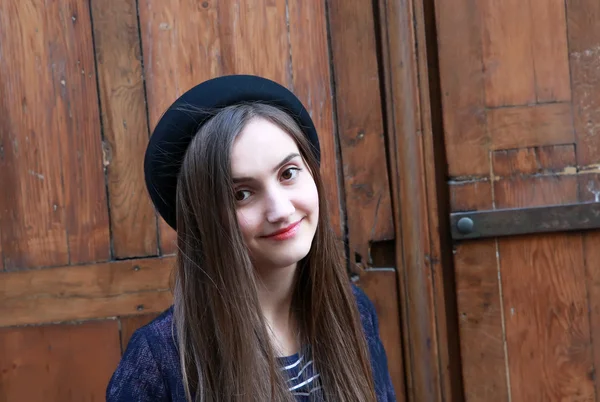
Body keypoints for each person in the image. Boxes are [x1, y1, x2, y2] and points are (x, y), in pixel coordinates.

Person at [106, 75, 396, 401]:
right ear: (204, 219)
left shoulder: (354, 312)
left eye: (288, 174)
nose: (281, 211)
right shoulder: (162, 359)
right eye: (242, 194)